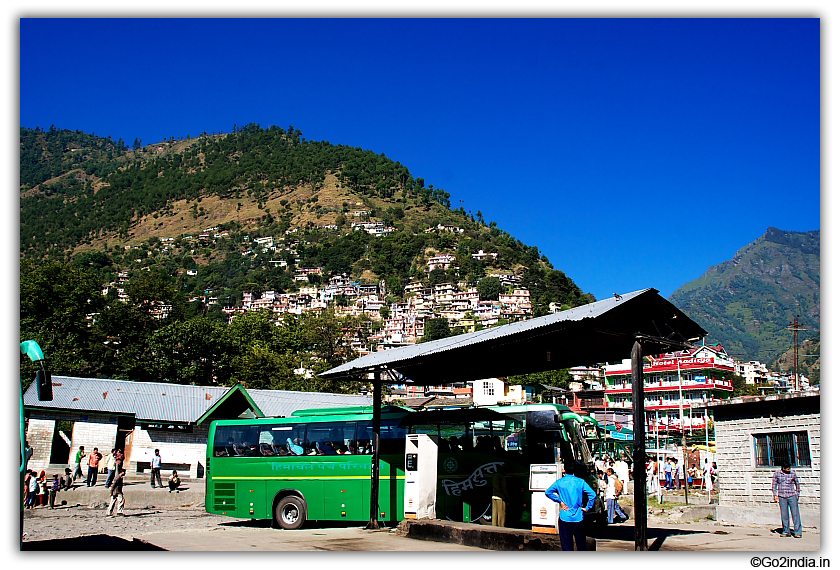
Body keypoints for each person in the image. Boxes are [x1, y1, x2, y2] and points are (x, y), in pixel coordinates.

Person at [544, 461, 597, 551]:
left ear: (564, 470)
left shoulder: (559, 482)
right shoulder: (580, 482)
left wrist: (560, 501)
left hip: (564, 516)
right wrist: (588, 508)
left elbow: (548, 492)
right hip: (578, 515)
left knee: (566, 545)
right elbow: (593, 495)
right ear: (574, 470)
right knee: (581, 544)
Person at [772, 460, 802, 538]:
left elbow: (797, 484)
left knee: (795, 514)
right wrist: (775, 495)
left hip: (792, 495)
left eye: (789, 468)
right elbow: (774, 484)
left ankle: (797, 531)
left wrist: (797, 494)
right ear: (783, 468)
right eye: (787, 469)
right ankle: (786, 531)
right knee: (784, 515)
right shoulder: (777, 474)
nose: (788, 470)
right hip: (782, 496)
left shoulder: (793, 474)